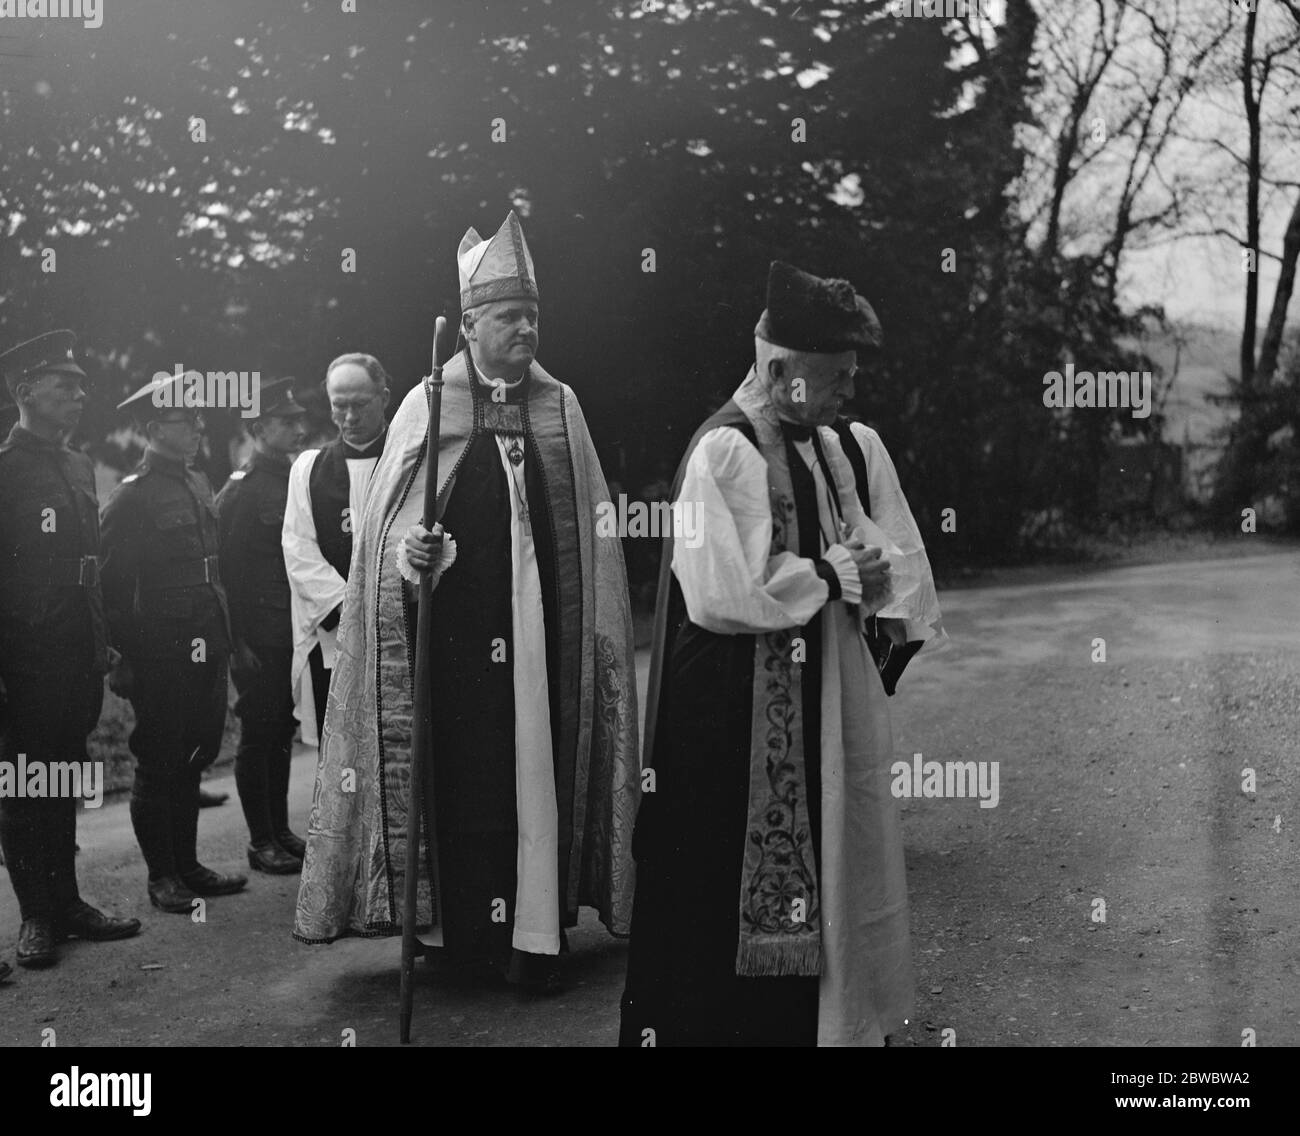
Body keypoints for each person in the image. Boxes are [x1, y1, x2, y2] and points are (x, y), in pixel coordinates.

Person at [293, 213, 640, 993]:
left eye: (534, 316)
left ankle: (535, 937)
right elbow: (387, 537)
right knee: (461, 783)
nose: (526, 329)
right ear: (472, 324)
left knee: (535, 775)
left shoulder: (560, 407)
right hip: (452, 649)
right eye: (510, 316)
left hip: (543, 638)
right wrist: (410, 561)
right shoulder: (427, 404)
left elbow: (590, 536)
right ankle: (453, 936)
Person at [619, 261, 945, 1046]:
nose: (848, 391)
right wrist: (830, 575)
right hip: (730, 705)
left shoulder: (829, 445)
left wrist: (875, 582)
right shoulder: (723, 453)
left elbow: (869, 540)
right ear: (777, 369)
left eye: (851, 375)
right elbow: (719, 590)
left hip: (821, 686)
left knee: (835, 848)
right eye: (834, 377)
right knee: (720, 874)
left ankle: (823, 1023)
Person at [0, 330, 142, 970]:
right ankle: (36, 915)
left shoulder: (80, 464)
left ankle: (69, 903)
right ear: (25, 391)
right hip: (23, 658)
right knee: (23, 785)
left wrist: (102, 640)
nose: (80, 395)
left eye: (83, 385)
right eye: (66, 384)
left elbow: (93, 567)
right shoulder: (4, 472)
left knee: (62, 776)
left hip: (75, 652)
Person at [100, 373, 247, 913]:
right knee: (160, 761)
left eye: (199, 419)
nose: (199, 429)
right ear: (154, 427)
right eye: (189, 421)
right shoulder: (131, 499)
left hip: (206, 645)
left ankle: (188, 866)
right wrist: (125, 659)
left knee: (194, 756)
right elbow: (112, 591)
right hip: (161, 655)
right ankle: (162, 877)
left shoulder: (197, 481)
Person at [216, 379, 309, 874]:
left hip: (291, 632)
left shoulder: (293, 479)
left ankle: (280, 830)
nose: (299, 428)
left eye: (298, 420)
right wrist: (236, 646)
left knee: (280, 730)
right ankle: (259, 841)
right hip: (258, 639)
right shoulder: (241, 493)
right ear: (257, 429)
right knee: (258, 733)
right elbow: (225, 577)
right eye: (285, 422)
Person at [283, 354, 390, 745]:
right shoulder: (308, 469)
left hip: (398, 626)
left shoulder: (411, 458)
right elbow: (298, 549)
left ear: (384, 397)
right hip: (338, 634)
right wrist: (349, 607)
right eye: (338, 405)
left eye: (359, 404)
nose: (348, 416)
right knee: (345, 750)